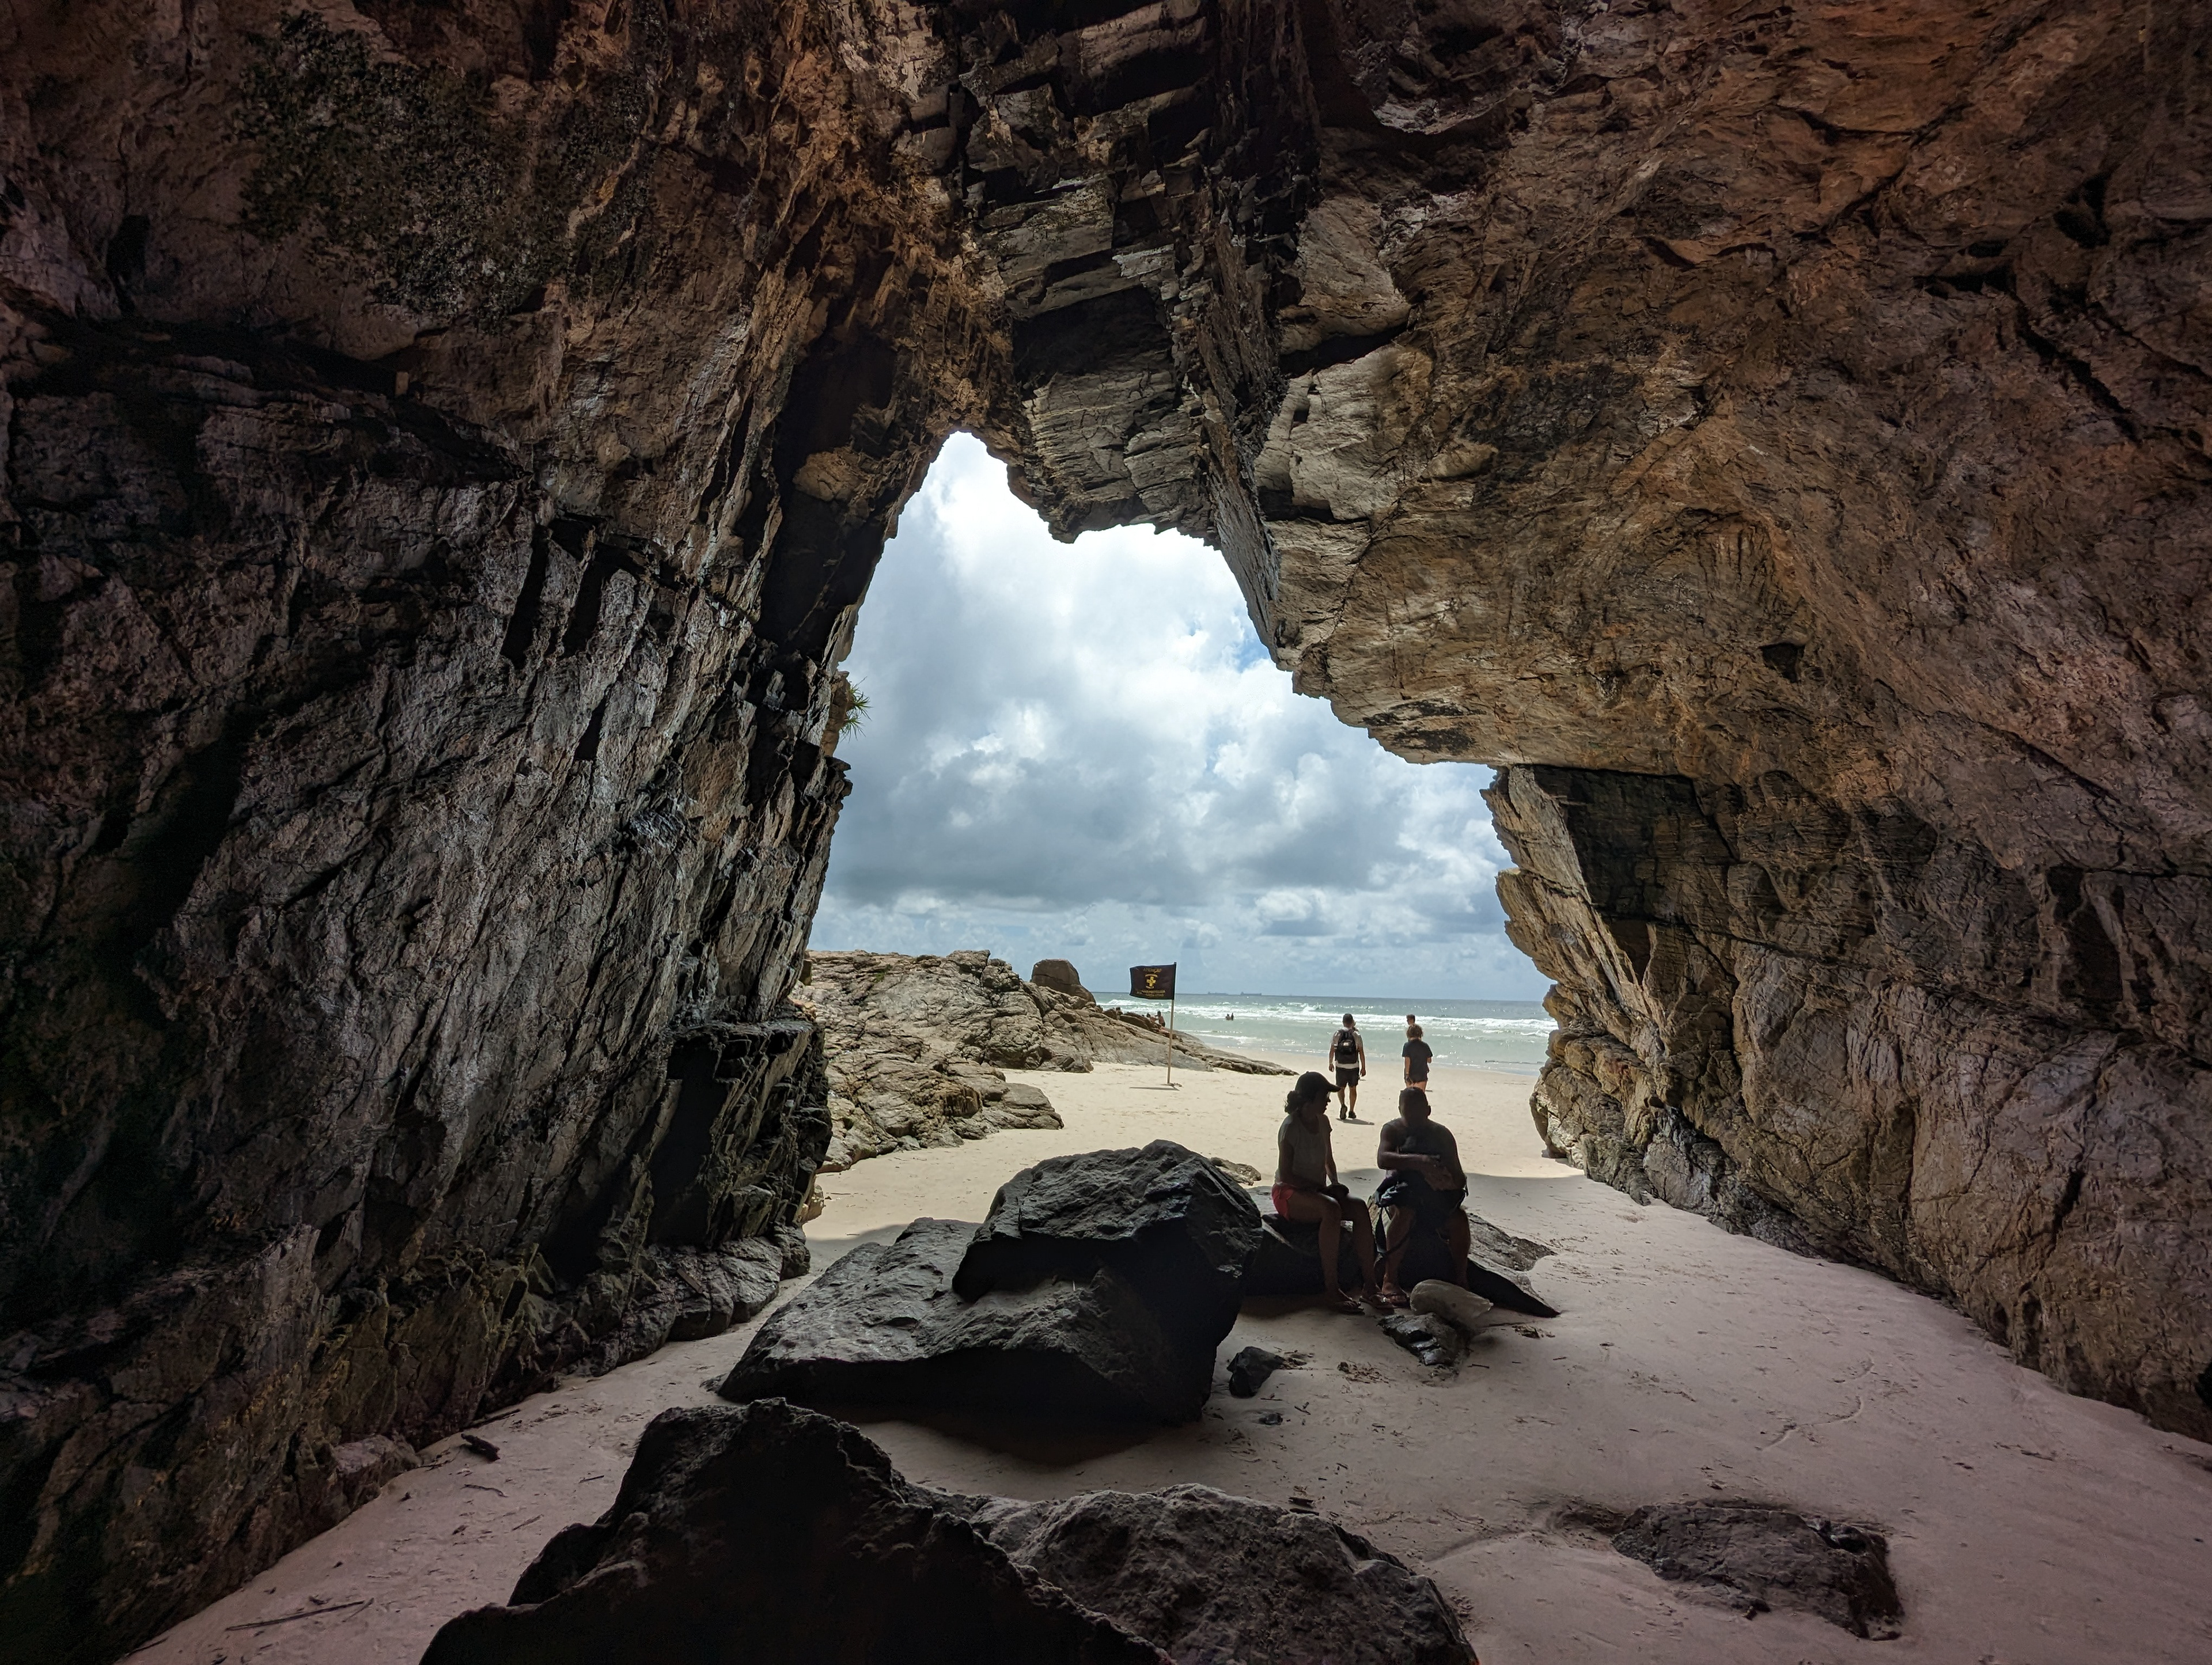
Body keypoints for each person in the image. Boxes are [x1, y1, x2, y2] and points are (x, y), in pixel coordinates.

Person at [1274, 1071, 1381, 1312]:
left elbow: (1328, 1161)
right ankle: (1331, 1289)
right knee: (1330, 1209)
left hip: (1316, 1191)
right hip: (1288, 1193)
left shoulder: (1323, 1123)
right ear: (1309, 1099)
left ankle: (1370, 1286)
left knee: (1359, 1208)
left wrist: (1335, 1183)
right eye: (1325, 1096)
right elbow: (1287, 1176)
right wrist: (1324, 1190)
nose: (1329, 1101)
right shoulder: (1291, 1127)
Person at [1373, 1087, 1471, 1306]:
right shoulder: (1393, 1130)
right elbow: (1383, 1159)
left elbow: (1459, 1176)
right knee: (1405, 1213)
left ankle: (1461, 1277)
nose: (1413, 1119)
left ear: (1428, 1110)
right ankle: (1390, 1278)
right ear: (1400, 1110)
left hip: (1434, 1196)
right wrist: (1419, 1162)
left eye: (1418, 1113)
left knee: (1460, 1220)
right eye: (1408, 1113)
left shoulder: (1442, 1134)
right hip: (1402, 1192)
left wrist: (1445, 1181)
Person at [1325, 1013, 1366, 1121]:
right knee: (1353, 1088)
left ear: (1343, 1022)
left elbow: (1332, 1050)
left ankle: (1343, 1105)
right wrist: (1363, 1067)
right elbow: (1361, 1052)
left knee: (1341, 1087)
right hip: (1353, 1066)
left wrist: (1330, 1063)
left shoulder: (1337, 1034)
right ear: (1352, 1022)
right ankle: (1352, 1111)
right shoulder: (1356, 1035)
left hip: (1340, 1066)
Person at [1402, 1022, 1433, 1088]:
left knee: (1410, 1095)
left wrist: (1407, 1074)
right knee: (1420, 1096)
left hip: (1411, 1074)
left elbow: (1407, 1061)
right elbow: (1429, 1060)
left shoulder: (1407, 1046)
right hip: (1422, 1073)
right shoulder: (1425, 1046)